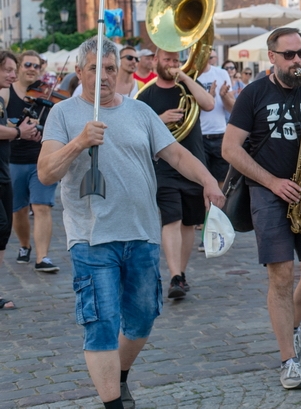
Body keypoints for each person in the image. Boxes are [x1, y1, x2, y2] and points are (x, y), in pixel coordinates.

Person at [37, 37, 223, 409]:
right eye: (94, 69)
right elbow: (45, 173)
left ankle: (118, 378)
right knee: (101, 324)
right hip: (92, 238)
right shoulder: (63, 114)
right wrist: (78, 142)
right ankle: (112, 403)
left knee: (141, 321)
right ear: (79, 73)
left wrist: (208, 180)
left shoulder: (140, 112)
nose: (103, 76)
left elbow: (175, 153)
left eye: (109, 68)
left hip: (141, 234)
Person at [222, 27, 301, 390]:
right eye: (288, 54)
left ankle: (288, 328)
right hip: (268, 192)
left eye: (300, 53)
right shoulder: (253, 94)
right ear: (272, 57)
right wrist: (273, 182)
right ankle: (288, 360)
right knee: (280, 276)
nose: (296, 61)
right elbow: (230, 149)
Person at [136, 50, 215, 299]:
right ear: (156, 61)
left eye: (175, 61)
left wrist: (186, 78)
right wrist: (161, 119)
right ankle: (174, 276)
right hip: (164, 166)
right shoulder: (146, 94)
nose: (171, 65)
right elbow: (136, 129)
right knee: (172, 218)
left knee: (189, 222)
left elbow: (209, 104)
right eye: (167, 60)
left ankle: (181, 272)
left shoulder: (189, 85)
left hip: (193, 162)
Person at [1, 50, 60, 272]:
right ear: (18, 67)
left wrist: (42, 133)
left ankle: (42, 257)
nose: (32, 69)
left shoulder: (46, 94)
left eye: (37, 66)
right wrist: (19, 130)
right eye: (27, 64)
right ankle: (25, 246)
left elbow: (54, 125)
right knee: (18, 210)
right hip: (13, 160)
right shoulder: (6, 92)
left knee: (42, 206)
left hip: (41, 159)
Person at [0, 50, 40, 309]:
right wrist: (17, 131)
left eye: (14, 69)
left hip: (3, 173)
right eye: (8, 69)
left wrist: (24, 133)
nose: (13, 74)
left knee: (2, 234)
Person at [196, 51, 234, 186]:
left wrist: (224, 96)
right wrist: (208, 99)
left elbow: (232, 109)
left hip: (219, 134)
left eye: (211, 56)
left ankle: (219, 208)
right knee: (201, 182)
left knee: (223, 182)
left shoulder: (221, 73)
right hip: (198, 136)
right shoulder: (189, 75)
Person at [74, 47, 141, 98]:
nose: (134, 61)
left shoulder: (141, 86)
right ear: (118, 60)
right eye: (129, 58)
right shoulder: (86, 87)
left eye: (137, 59)